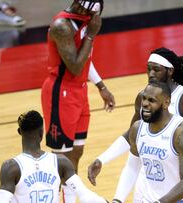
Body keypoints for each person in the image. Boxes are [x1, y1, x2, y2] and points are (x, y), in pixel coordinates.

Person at [87, 47, 183, 201]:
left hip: (179, 185)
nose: (151, 74)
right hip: (150, 183)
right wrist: (103, 159)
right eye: (149, 69)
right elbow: (131, 136)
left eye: (156, 70)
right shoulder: (143, 97)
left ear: (169, 71)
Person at [41, 0, 115, 202]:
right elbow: (74, 66)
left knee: (77, 152)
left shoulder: (85, 20)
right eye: (86, 10)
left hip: (80, 92)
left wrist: (101, 86)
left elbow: (86, 59)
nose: (88, 14)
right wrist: (91, 34)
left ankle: (69, 198)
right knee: (61, 157)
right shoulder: (61, 26)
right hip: (61, 93)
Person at [112, 81, 183, 203]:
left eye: (151, 100)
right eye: (144, 98)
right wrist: (117, 200)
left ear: (166, 103)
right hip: (151, 199)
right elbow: (132, 168)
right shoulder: (137, 128)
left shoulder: (182, 132)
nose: (144, 104)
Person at [0, 110, 107, 203]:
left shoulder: (11, 167)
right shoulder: (61, 162)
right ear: (42, 133)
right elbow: (86, 196)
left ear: (19, 132)